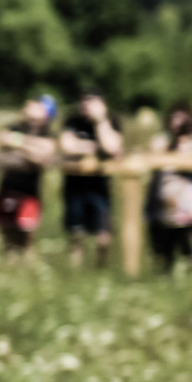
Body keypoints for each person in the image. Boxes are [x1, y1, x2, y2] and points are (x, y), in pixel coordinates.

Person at [58, 91, 124, 268]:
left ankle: (101, 268)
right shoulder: (72, 121)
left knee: (104, 234)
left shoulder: (112, 121)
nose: (85, 106)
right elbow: (67, 146)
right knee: (76, 233)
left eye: (90, 102)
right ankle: (75, 271)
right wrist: (95, 147)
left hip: (100, 187)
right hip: (74, 185)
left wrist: (100, 121)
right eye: (83, 102)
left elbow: (111, 147)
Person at [150, 103, 192, 272]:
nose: (176, 123)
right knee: (164, 256)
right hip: (165, 211)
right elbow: (154, 156)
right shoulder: (163, 140)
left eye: (181, 118)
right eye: (174, 118)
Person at [0, 93, 57, 259]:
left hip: (30, 191)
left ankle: (26, 267)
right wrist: (33, 147)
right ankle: (11, 267)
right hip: (7, 188)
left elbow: (43, 155)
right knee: (7, 234)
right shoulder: (14, 127)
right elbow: (4, 140)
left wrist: (20, 144)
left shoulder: (48, 133)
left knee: (27, 235)